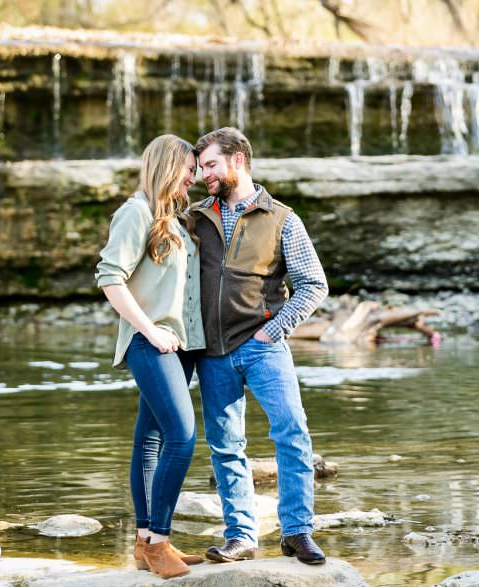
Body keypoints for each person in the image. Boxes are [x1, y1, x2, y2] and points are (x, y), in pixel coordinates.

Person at [188, 127, 329, 565]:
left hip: (264, 346)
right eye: (200, 167)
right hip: (212, 353)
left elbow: (313, 285)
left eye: (210, 165)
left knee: (292, 433)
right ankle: (241, 537)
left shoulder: (283, 218)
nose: (203, 175)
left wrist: (275, 329)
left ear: (238, 161)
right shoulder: (194, 217)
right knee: (226, 446)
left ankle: (297, 532)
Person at [95, 134, 206, 579]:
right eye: (189, 170)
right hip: (151, 345)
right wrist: (151, 330)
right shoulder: (135, 212)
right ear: (168, 166)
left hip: (179, 348)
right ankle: (159, 541)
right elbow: (110, 278)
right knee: (182, 437)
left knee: (151, 441)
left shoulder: (172, 219)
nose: (194, 179)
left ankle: (145, 543)